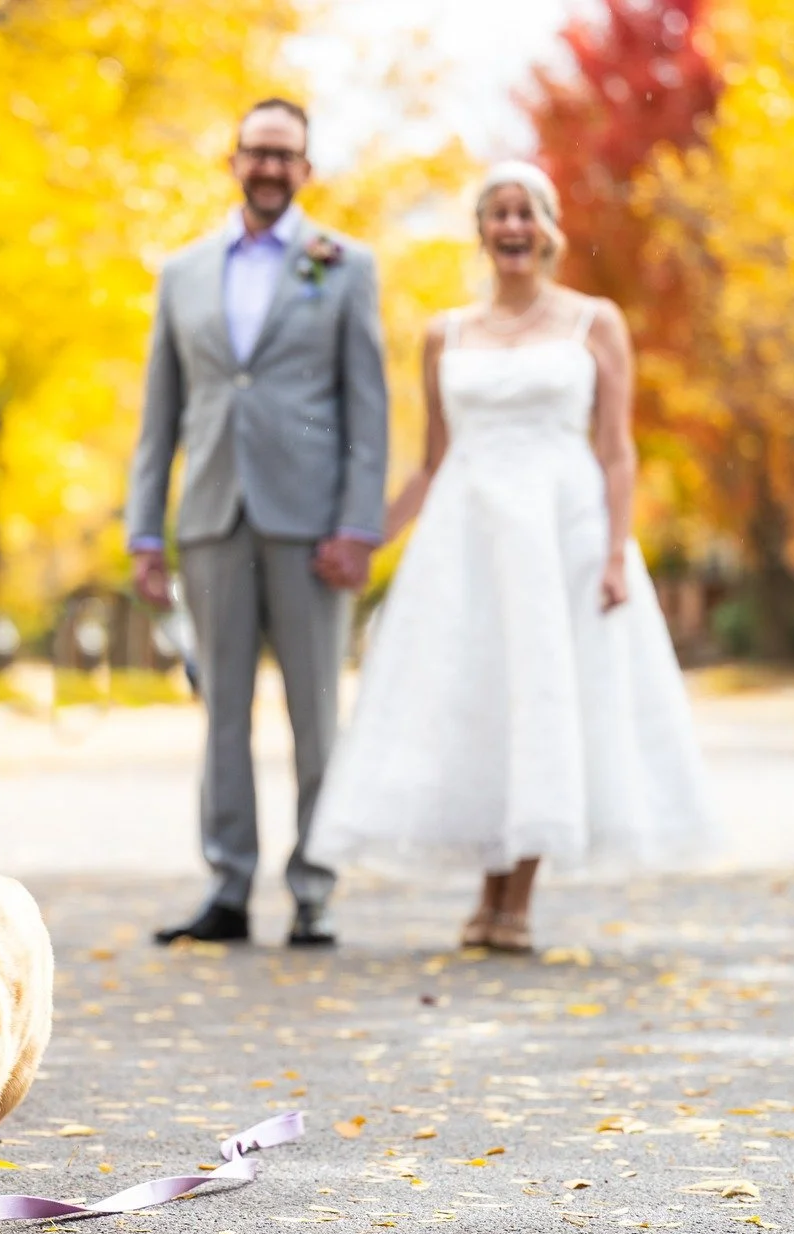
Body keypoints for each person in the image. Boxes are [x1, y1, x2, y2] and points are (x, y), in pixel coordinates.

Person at [306, 161, 716, 952]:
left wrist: (613, 555)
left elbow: (618, 452)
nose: (512, 225)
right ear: (482, 232)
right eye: (497, 213)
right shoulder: (444, 334)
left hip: (561, 533)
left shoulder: (594, 323)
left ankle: (515, 899)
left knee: (544, 697)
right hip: (465, 542)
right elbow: (431, 462)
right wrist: (368, 540)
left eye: (525, 211)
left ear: (549, 227)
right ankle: (488, 892)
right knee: (479, 701)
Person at [125, 98, 391, 949]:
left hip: (312, 528)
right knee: (224, 714)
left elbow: (366, 410)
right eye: (257, 152)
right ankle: (229, 886)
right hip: (211, 517)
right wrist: (144, 530)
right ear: (233, 160)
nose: (271, 167)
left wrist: (358, 523)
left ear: (306, 170)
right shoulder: (182, 273)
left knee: (316, 715)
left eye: (288, 155)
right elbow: (157, 415)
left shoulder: (344, 266)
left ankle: (314, 889)